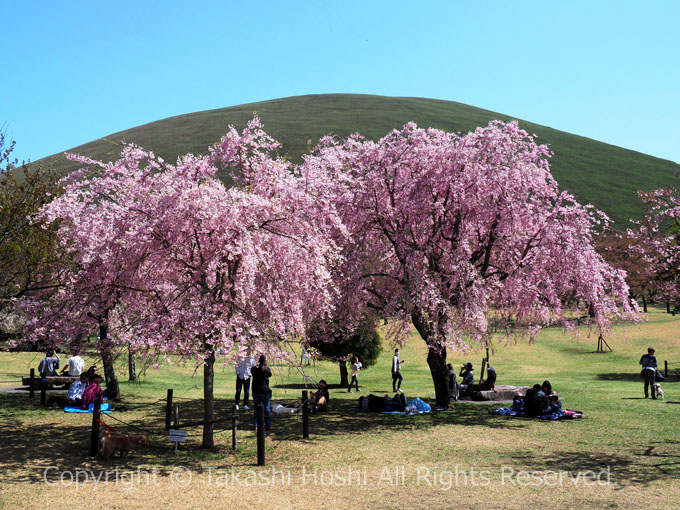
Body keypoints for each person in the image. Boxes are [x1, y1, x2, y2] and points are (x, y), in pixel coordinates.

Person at [251, 355, 273, 430]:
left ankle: (255, 425)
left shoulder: (253, 369)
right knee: (266, 408)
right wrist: (264, 366)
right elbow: (269, 374)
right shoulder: (265, 369)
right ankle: (268, 425)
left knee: (256, 408)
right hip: (264, 390)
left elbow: (253, 370)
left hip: (255, 390)